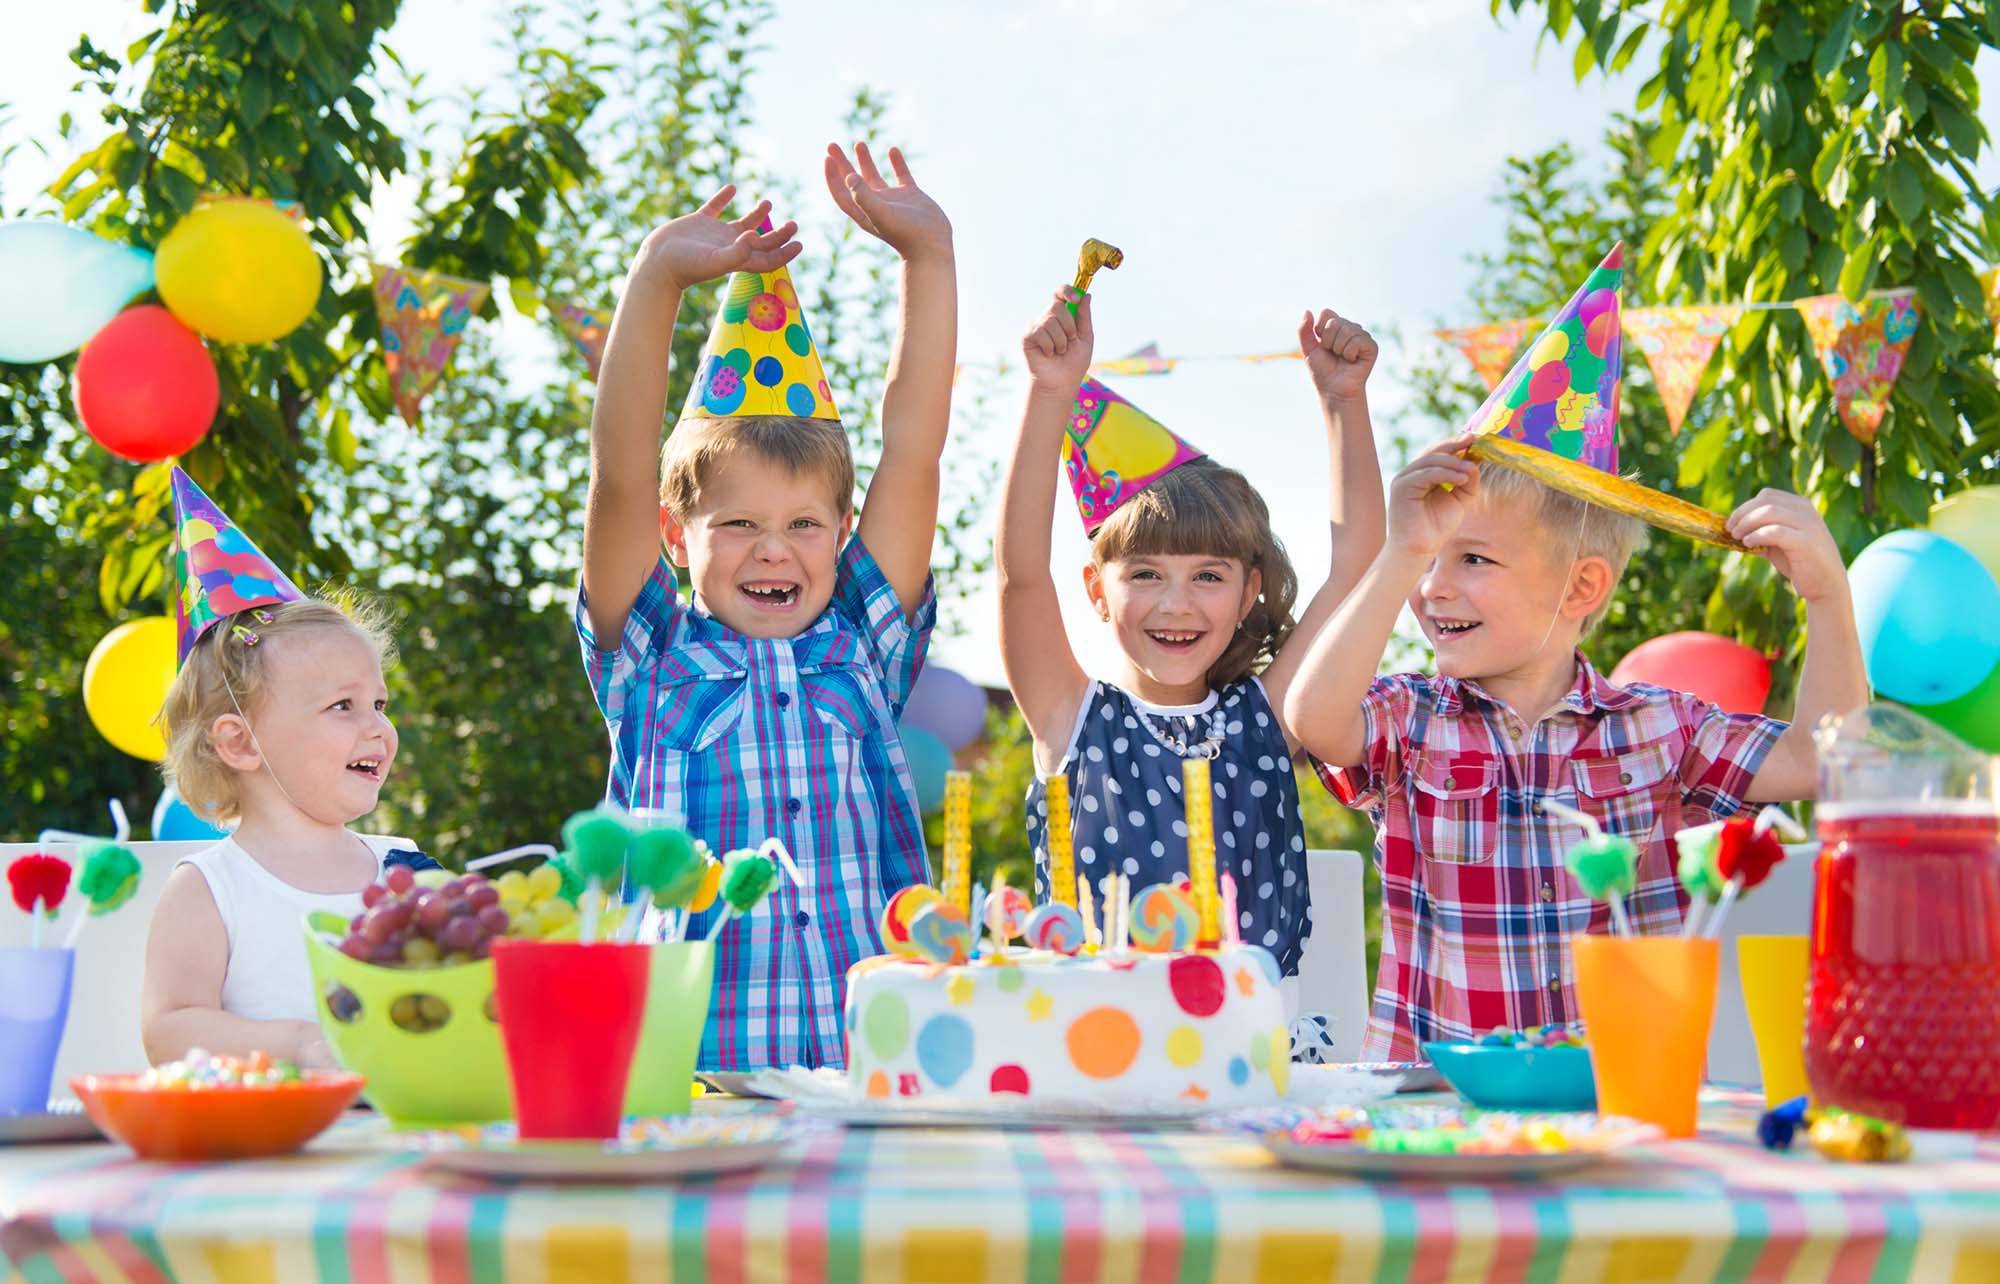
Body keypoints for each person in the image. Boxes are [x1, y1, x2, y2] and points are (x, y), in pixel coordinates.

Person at [1282, 435, 1867, 1059]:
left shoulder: (1662, 728)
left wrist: (1828, 596)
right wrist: (1401, 549)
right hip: (1441, 1112)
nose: (1431, 588)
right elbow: (1313, 719)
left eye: (1472, 559)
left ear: (1580, 588)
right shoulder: (1409, 716)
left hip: (1624, 1095)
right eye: (1427, 561)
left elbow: (1816, 760)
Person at [577, 143, 957, 1070]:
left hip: (875, 1074)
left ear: (841, 532)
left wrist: (929, 258)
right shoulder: (651, 656)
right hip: (689, 1076)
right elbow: (621, 472)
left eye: (803, 523)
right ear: (678, 537)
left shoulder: (865, 640)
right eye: (738, 523)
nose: (775, 548)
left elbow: (913, 450)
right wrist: (658, 275)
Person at [998, 284, 1385, 973]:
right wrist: (1048, 394)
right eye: (1145, 574)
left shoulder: (1268, 718)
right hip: (1097, 1057)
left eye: (1208, 576)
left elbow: (1357, 567)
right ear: (1098, 591)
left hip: (1260, 1057)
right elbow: (1020, 573)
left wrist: (1345, 404)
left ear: (1248, 594)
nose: (1176, 603)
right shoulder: (1069, 716)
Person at [143, 468, 436, 1068]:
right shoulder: (209, 888)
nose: (379, 727)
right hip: (267, 1153)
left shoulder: (406, 868)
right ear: (241, 743)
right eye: (342, 706)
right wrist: (299, 1043)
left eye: (379, 704)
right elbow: (167, 1030)